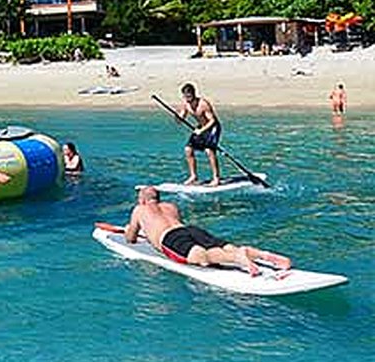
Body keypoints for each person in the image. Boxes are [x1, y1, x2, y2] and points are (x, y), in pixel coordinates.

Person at [125, 187, 291, 276]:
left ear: (142, 199)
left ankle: (236, 258)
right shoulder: (170, 206)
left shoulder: (139, 209)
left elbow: (131, 238)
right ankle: (261, 255)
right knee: (221, 245)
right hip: (189, 229)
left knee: (202, 256)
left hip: (169, 238)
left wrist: (130, 230)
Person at [177, 83, 221, 187]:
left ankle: (216, 178)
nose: (187, 99)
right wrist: (178, 117)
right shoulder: (186, 104)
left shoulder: (203, 104)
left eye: (189, 96)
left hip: (212, 128)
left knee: (209, 151)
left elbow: (212, 121)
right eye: (185, 96)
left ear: (193, 94)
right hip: (200, 127)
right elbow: (181, 119)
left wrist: (201, 131)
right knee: (188, 149)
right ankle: (193, 176)